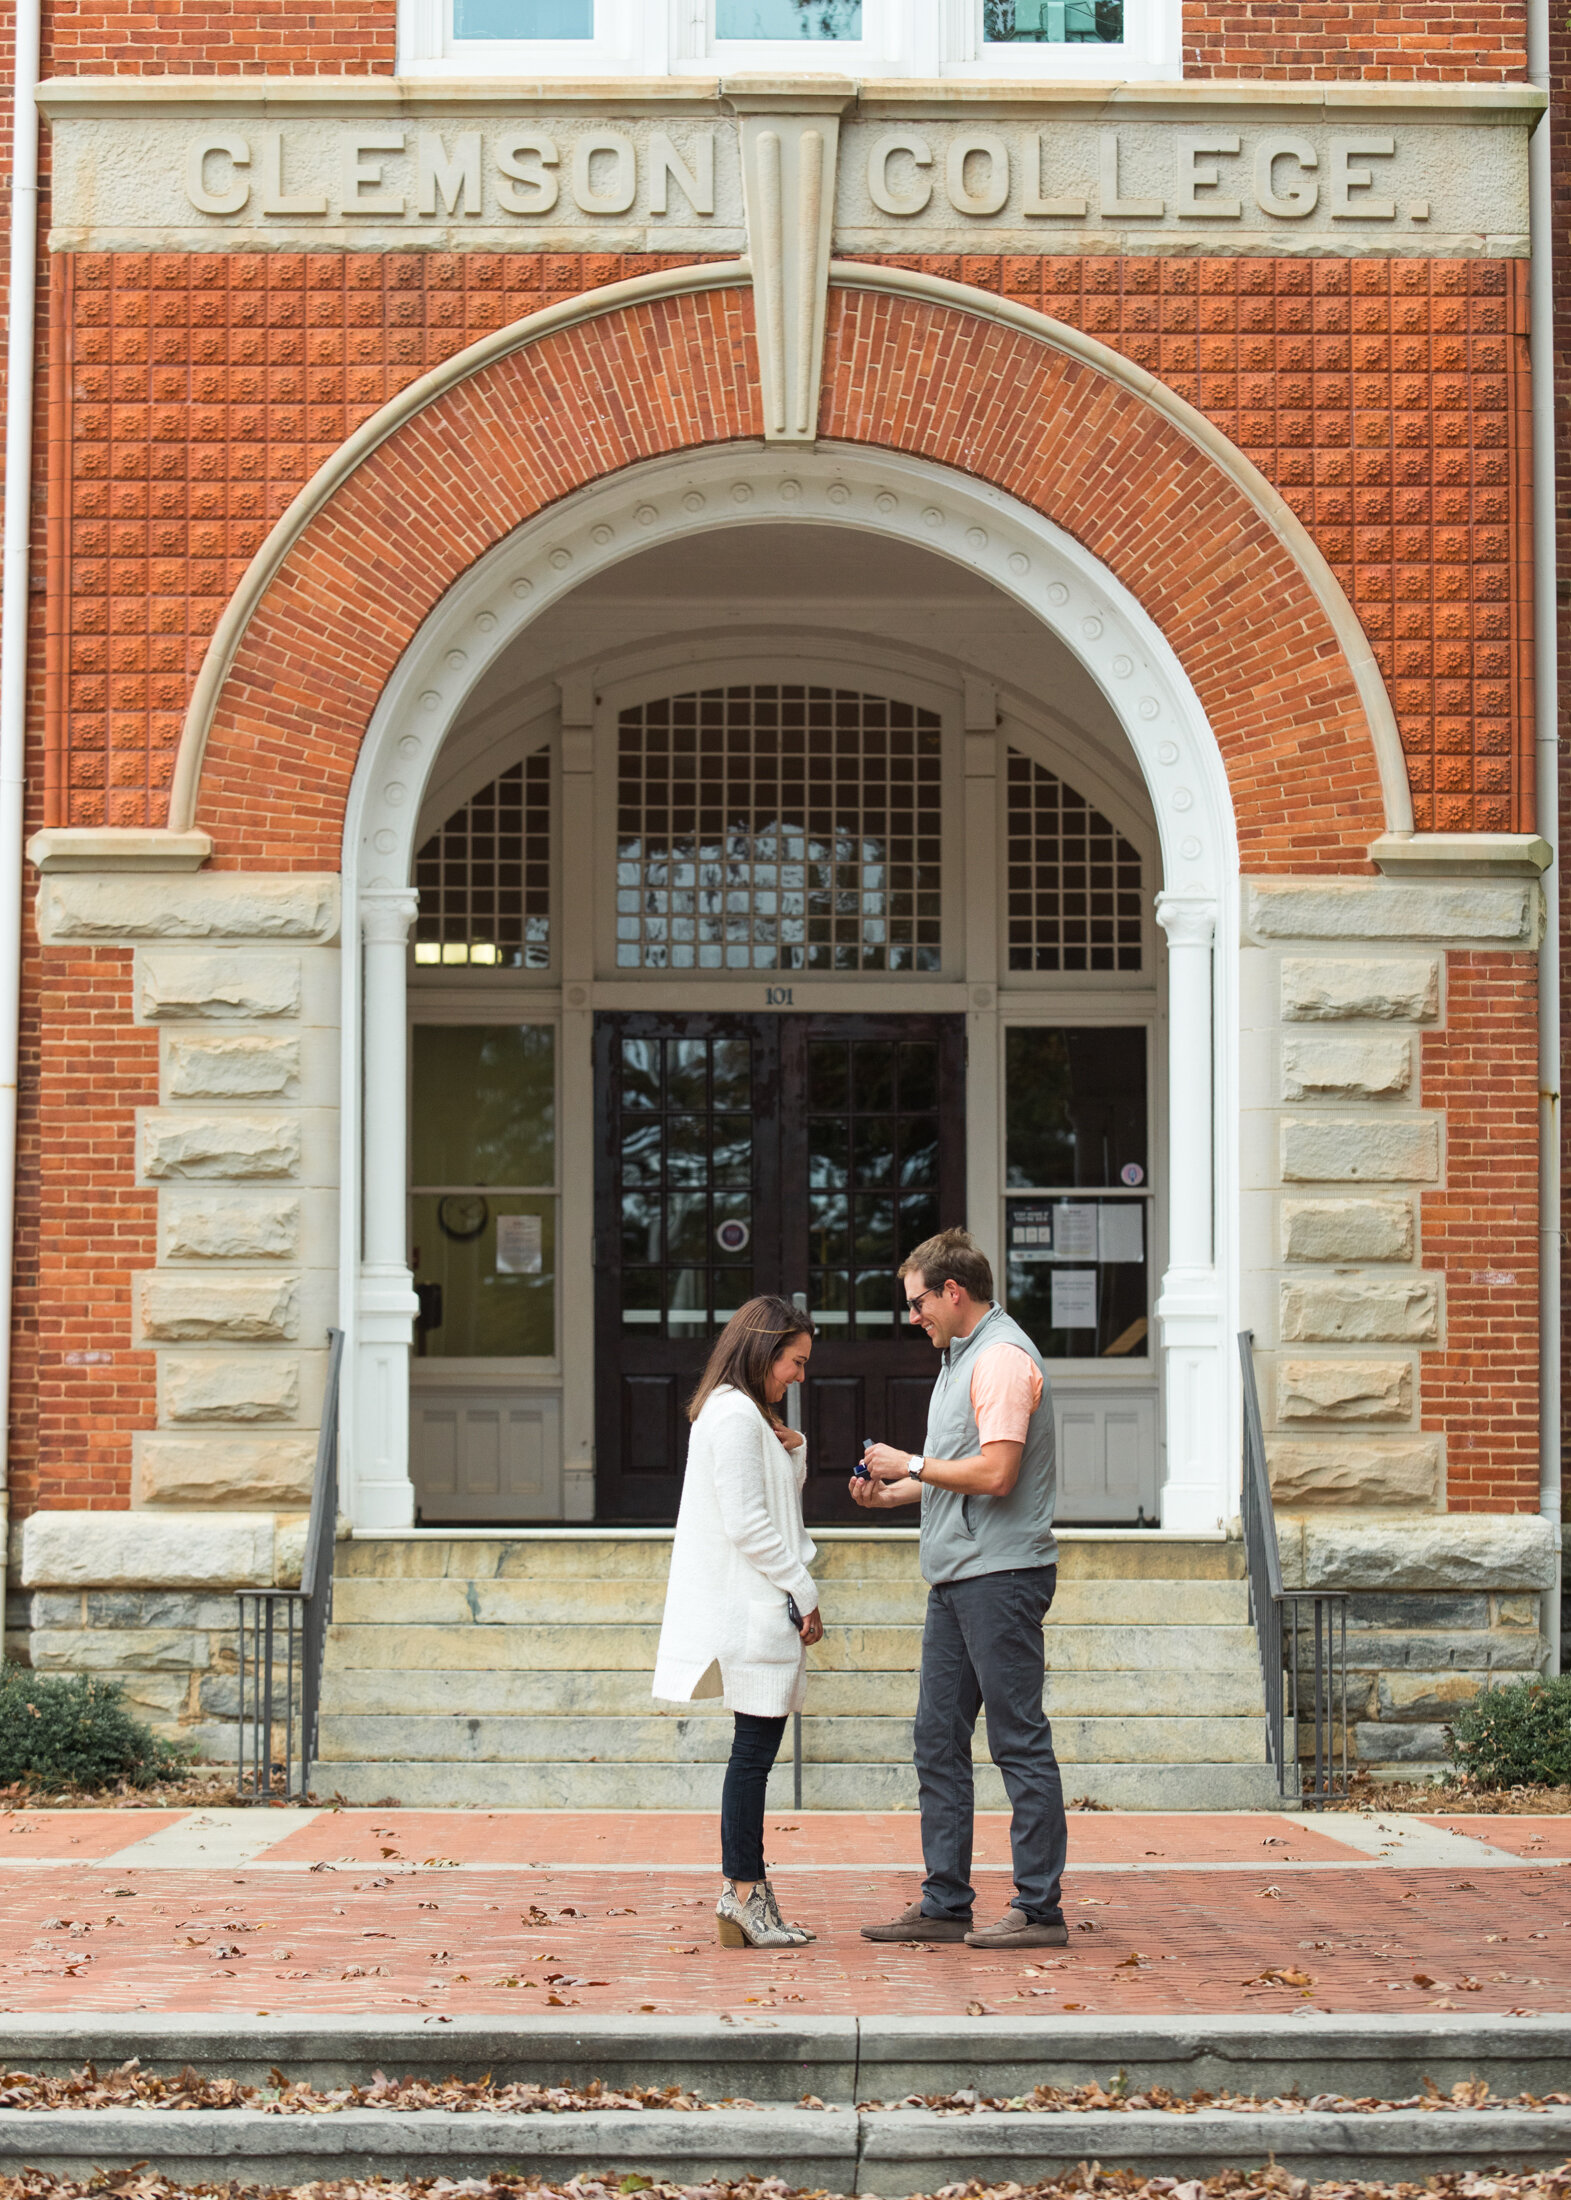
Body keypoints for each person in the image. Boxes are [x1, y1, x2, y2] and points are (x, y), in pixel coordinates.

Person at [851, 1227, 1067, 1951]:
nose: (912, 1317)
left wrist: (909, 1459)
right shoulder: (959, 1358)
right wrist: (895, 1494)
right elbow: (960, 1472)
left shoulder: (1000, 1359)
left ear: (952, 1292)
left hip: (999, 1579)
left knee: (1017, 1743)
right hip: (956, 1576)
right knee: (937, 1738)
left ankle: (1039, 1912)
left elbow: (996, 1474)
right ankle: (944, 1904)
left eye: (917, 1303)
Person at [653, 1294, 825, 1950]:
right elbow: (749, 1524)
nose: (799, 1376)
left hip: (760, 1605)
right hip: (752, 1608)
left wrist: (797, 1448)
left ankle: (747, 1892)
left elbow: (774, 1504)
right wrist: (803, 1590)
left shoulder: (747, 1418)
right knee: (750, 1758)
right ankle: (743, 1892)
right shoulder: (731, 1417)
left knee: (751, 1756)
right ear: (763, 1350)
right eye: (794, 1361)